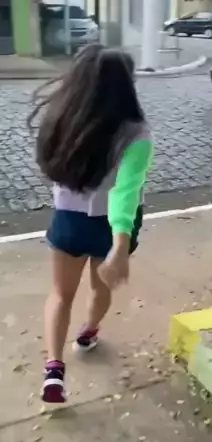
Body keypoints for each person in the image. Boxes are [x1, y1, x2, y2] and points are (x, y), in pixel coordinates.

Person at [28, 45, 153, 404]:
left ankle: (54, 370)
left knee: (60, 294)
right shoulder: (137, 134)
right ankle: (88, 333)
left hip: (68, 221)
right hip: (110, 230)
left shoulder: (61, 119)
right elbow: (125, 193)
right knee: (100, 289)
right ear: (126, 84)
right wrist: (120, 246)